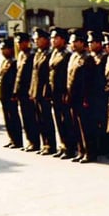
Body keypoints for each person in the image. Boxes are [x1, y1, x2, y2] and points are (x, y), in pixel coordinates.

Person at [66, 28, 97, 163]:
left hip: (83, 98)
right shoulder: (73, 56)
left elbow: (89, 81)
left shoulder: (88, 58)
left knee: (86, 127)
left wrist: (86, 98)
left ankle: (89, 152)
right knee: (76, 126)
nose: (72, 44)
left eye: (74, 42)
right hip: (73, 97)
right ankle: (80, 151)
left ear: (81, 42)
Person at [29, 28, 57, 155]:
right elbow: (34, 75)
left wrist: (47, 92)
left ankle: (50, 145)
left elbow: (49, 76)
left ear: (45, 40)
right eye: (34, 39)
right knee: (39, 119)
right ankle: (44, 144)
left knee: (46, 119)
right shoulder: (37, 54)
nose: (36, 41)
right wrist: (32, 91)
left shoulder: (49, 54)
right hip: (36, 91)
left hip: (45, 92)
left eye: (38, 39)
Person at [48, 27, 74, 159]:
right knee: (58, 120)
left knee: (66, 121)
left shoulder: (67, 55)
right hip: (54, 92)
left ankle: (70, 148)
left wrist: (66, 92)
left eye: (56, 38)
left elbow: (68, 76)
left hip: (63, 92)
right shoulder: (54, 53)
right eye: (52, 38)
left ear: (63, 40)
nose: (53, 40)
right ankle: (63, 146)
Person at [13, 33, 39, 152]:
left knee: (32, 118)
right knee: (26, 118)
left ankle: (35, 142)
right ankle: (29, 141)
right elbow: (18, 75)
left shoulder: (32, 55)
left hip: (29, 91)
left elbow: (32, 76)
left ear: (26, 42)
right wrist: (15, 91)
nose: (18, 45)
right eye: (17, 42)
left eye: (20, 42)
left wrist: (31, 91)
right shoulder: (21, 55)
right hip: (21, 92)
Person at [0, 38, 23, 149]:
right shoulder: (4, 62)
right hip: (3, 95)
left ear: (10, 49)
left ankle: (17, 140)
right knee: (7, 118)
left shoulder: (14, 62)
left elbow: (14, 80)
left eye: (4, 49)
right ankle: (11, 138)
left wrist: (14, 93)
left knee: (13, 118)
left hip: (10, 95)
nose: (2, 51)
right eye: (0, 49)